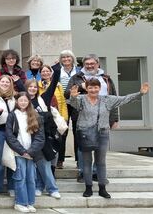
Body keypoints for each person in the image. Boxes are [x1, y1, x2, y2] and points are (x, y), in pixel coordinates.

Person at [68, 79, 149, 198]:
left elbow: (124, 99)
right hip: (85, 133)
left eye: (96, 87)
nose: (93, 90)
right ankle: (88, 188)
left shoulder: (107, 100)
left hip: (102, 133)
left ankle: (102, 188)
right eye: (90, 87)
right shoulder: (81, 99)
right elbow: (73, 104)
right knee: (86, 162)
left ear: (100, 88)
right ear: (87, 89)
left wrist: (140, 93)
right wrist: (73, 96)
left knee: (101, 162)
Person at [66, 54, 118, 182]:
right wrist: (80, 87)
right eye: (87, 64)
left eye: (92, 63)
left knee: (100, 148)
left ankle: (96, 173)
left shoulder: (106, 79)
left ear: (97, 64)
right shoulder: (76, 77)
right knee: (83, 147)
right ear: (83, 65)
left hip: (103, 120)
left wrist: (115, 118)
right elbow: (67, 93)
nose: (89, 66)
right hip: (82, 118)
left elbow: (114, 99)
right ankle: (83, 172)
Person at [5, 92, 45, 213]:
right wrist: (22, 151)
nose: (23, 102)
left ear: (29, 102)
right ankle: (20, 202)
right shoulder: (12, 115)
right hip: (19, 153)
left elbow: (40, 137)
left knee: (31, 178)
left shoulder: (36, 116)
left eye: (25, 100)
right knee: (20, 178)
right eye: (20, 100)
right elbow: (9, 136)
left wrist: (30, 151)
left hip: (32, 154)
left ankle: (30, 202)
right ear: (17, 102)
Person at [25, 79, 61, 199]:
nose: (33, 89)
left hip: (41, 136)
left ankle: (52, 188)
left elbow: (53, 85)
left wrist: (56, 70)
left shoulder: (42, 100)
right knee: (34, 165)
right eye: (30, 87)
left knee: (43, 163)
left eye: (35, 87)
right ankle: (39, 186)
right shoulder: (22, 100)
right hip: (26, 136)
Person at [0, 75, 17, 197]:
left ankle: (12, 186)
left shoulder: (15, 97)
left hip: (13, 131)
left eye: (7, 82)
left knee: (11, 158)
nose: (5, 84)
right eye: (2, 81)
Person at [50, 50, 78, 169]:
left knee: (78, 131)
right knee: (62, 131)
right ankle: (60, 160)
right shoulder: (56, 70)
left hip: (76, 103)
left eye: (68, 57)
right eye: (63, 57)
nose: (66, 59)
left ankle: (79, 160)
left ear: (72, 58)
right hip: (62, 104)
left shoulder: (79, 70)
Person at [38, 64, 68, 172]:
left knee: (57, 142)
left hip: (56, 118)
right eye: (43, 71)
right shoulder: (36, 86)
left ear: (51, 73)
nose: (45, 73)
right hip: (43, 119)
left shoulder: (58, 85)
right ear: (40, 73)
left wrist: (64, 117)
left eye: (48, 71)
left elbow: (63, 102)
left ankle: (54, 167)